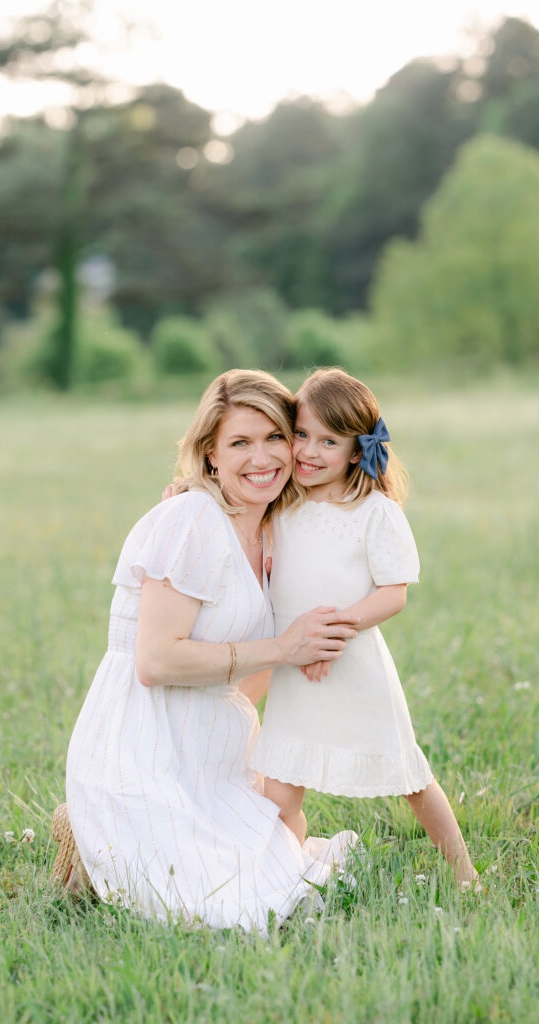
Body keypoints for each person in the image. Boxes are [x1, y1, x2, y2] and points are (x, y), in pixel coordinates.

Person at [56, 369, 359, 932]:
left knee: (286, 878)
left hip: (208, 756)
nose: (261, 457)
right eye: (239, 443)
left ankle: (122, 837)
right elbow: (154, 663)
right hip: (142, 748)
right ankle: (92, 823)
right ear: (210, 455)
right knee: (221, 910)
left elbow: (254, 675)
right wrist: (284, 647)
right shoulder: (191, 518)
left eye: (275, 437)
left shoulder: (275, 531)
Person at [249, 368, 479, 888]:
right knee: (280, 791)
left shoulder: (374, 512)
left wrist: (330, 633)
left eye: (328, 441)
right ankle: (287, 875)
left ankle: (464, 872)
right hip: (294, 670)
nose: (308, 451)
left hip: (352, 667)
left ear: (357, 451)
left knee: (409, 778)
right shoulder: (281, 504)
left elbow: (392, 592)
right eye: (301, 435)